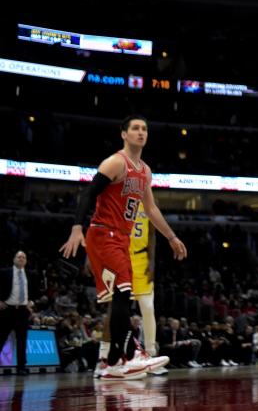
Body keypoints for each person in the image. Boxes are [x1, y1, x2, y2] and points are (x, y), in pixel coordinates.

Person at [59, 115, 184, 380]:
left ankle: (112, 362)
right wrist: (76, 228)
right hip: (104, 234)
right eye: (135, 128)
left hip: (121, 239)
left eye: (145, 128)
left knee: (120, 297)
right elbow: (88, 194)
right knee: (124, 294)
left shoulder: (145, 171)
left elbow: (150, 209)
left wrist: (171, 237)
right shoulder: (116, 162)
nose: (141, 132)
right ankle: (131, 353)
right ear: (124, 134)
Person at [128, 201, 167, 375]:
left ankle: (151, 354)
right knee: (118, 310)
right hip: (121, 258)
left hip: (141, 259)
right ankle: (116, 357)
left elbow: (152, 234)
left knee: (148, 308)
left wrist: (151, 263)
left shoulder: (150, 203)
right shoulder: (121, 198)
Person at [0, 251, 31, 375]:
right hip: (7, 309)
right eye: (19, 257)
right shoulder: (4, 272)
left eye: (24, 257)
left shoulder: (30, 274)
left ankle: (21, 367)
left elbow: (35, 289)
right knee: (1, 337)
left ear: (26, 260)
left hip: (22, 311)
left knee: (22, 340)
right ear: (14, 259)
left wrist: (32, 301)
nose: (21, 259)